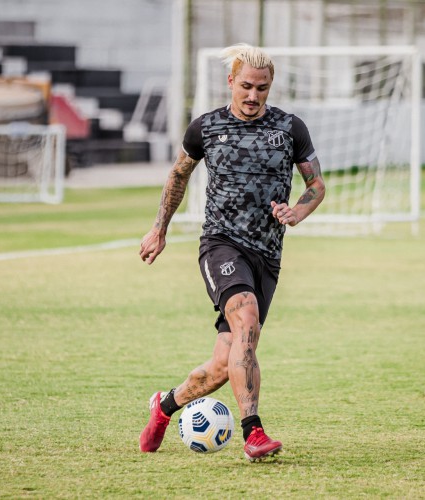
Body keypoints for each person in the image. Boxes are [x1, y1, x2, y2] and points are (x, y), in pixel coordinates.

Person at [137, 43, 325, 461]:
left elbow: (316, 186)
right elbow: (178, 176)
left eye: (262, 88)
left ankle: (164, 407)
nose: (254, 95)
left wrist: (298, 211)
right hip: (221, 244)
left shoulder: (290, 129)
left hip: (267, 255)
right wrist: (159, 229)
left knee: (225, 364)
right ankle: (253, 432)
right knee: (247, 318)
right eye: (246, 86)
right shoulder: (205, 128)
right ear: (230, 82)